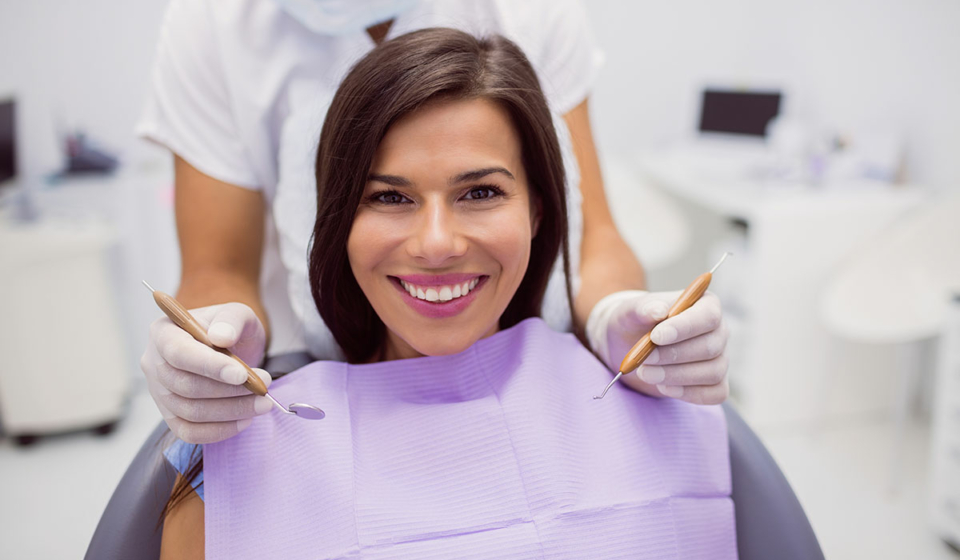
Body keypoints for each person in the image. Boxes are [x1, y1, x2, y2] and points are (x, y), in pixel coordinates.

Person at [159, 28, 736, 560]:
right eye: (389, 197)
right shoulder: (247, 455)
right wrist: (219, 342)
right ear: (340, 222)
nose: (437, 245)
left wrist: (613, 314)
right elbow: (215, 265)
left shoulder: (646, 407)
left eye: (481, 192)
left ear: (537, 210)